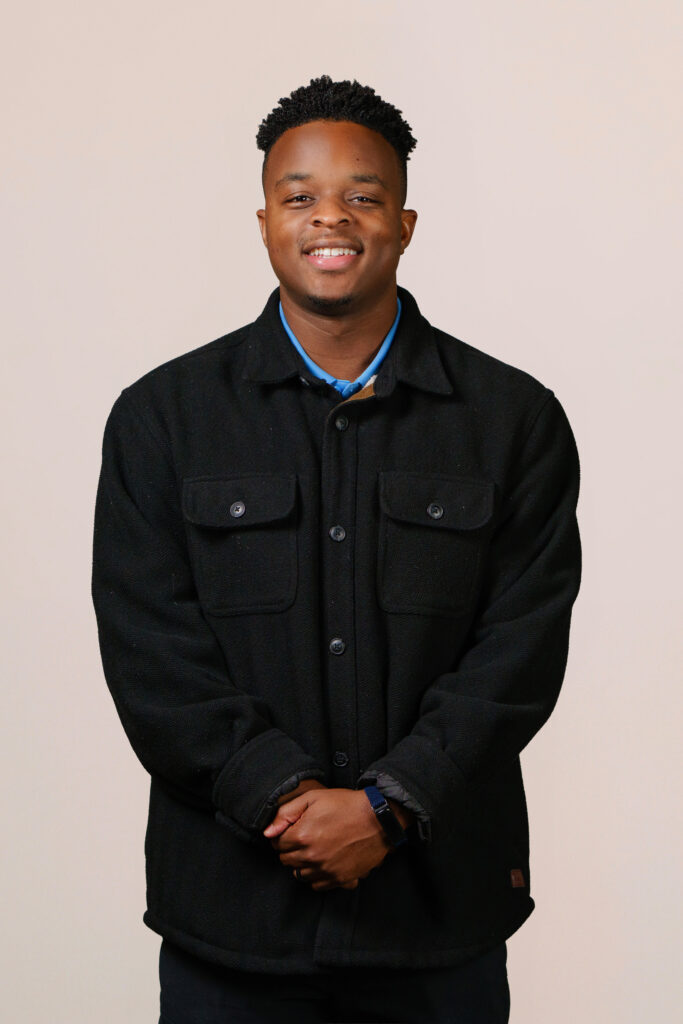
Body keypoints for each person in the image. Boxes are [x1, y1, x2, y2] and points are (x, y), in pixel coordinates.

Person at [91, 75, 582, 1023]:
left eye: (362, 195)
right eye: (300, 197)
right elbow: (151, 651)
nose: (331, 217)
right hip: (231, 919)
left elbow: (519, 651)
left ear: (403, 223)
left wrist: (389, 807)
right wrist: (278, 798)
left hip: (438, 920)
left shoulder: (512, 420)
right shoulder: (163, 419)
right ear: (264, 223)